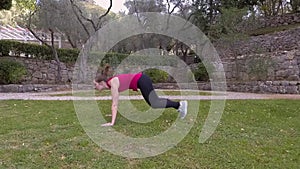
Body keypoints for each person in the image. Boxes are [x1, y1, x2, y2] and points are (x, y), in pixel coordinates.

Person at [94, 65, 188, 127]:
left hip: (142, 80)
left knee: (154, 103)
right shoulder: (112, 83)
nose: (95, 87)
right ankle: (179, 105)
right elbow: (115, 103)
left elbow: (114, 104)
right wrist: (112, 115)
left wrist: (111, 123)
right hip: (142, 80)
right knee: (155, 102)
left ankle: (180, 105)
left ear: (101, 83)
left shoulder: (113, 84)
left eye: (95, 84)